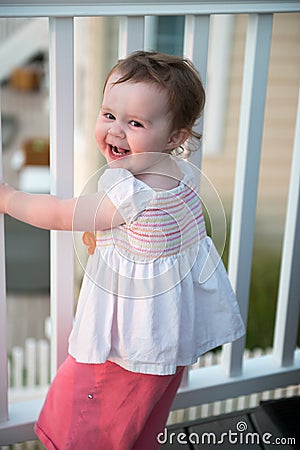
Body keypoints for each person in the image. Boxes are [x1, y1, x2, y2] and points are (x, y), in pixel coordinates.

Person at [0, 51, 245, 450]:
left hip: (123, 350)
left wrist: (9, 199)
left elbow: (62, 214)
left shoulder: (128, 193)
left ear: (175, 137)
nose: (116, 131)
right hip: (165, 345)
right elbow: (156, 243)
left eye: (135, 123)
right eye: (109, 115)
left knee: (88, 429)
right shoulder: (179, 180)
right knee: (137, 428)